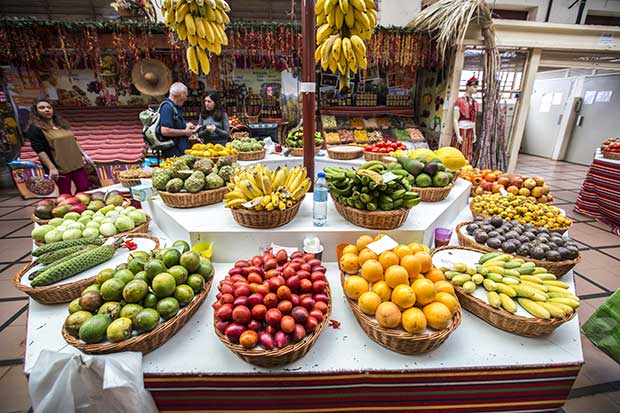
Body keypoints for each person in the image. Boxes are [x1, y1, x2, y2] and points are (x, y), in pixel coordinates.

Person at [25, 99, 93, 194]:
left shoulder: (62, 125)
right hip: (59, 167)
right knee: (65, 193)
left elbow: (73, 140)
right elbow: (40, 150)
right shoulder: (35, 129)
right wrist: (51, 168)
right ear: (36, 111)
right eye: (42, 108)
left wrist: (85, 154)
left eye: (49, 107)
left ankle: (80, 205)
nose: (46, 110)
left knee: (84, 187)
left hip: (76, 163)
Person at [158, 82, 196, 157]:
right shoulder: (167, 108)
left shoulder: (175, 107)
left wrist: (186, 125)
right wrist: (185, 132)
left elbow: (175, 125)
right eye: (185, 95)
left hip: (179, 150)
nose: (186, 98)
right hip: (173, 152)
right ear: (179, 94)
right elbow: (165, 131)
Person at [451, 76, 480, 162]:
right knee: (459, 152)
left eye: (476, 87)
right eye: (474, 87)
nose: (476, 89)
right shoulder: (460, 101)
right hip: (461, 129)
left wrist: (474, 133)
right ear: (467, 87)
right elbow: (455, 119)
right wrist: (458, 134)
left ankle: (466, 170)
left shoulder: (475, 102)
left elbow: (473, 120)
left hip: (470, 130)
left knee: (468, 151)